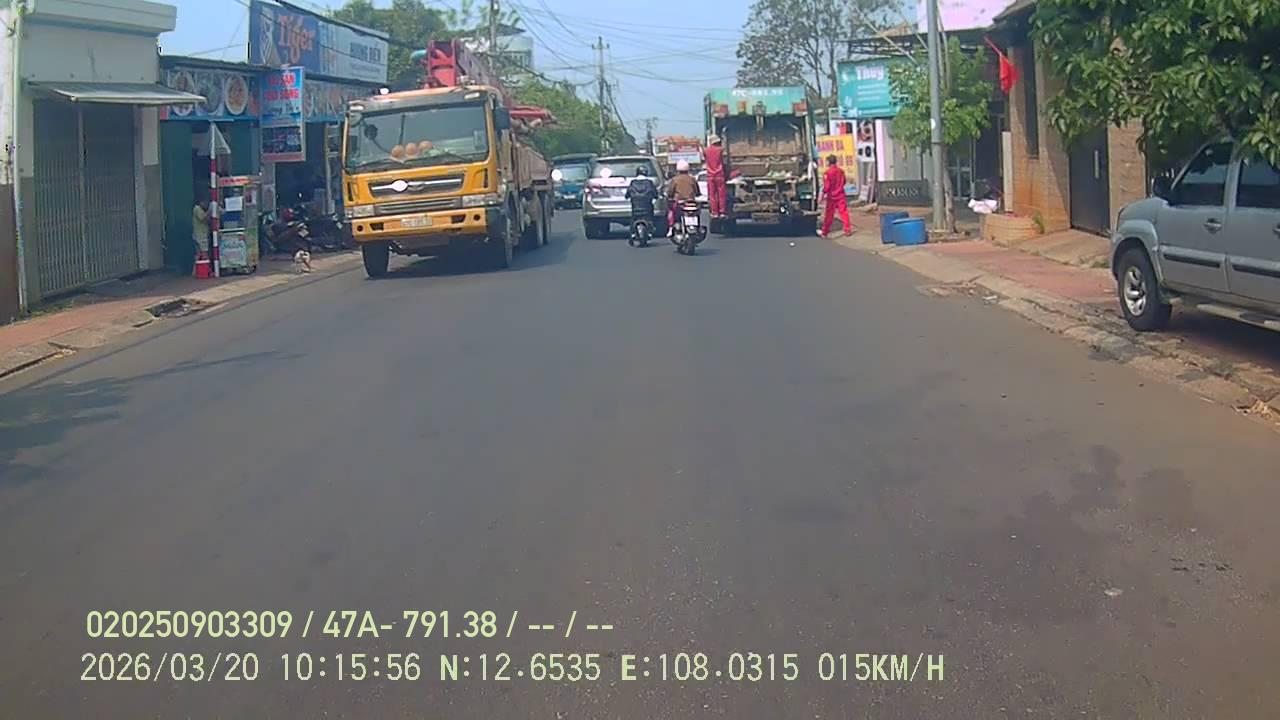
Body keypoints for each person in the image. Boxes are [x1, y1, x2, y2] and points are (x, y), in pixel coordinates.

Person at [819, 154, 852, 238]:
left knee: (829, 215)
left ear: (829, 162)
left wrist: (822, 195)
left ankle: (825, 232)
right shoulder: (841, 171)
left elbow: (827, 186)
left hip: (831, 197)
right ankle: (847, 230)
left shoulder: (827, 173)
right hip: (840, 194)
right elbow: (844, 182)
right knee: (844, 213)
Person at [666, 159, 700, 236]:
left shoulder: (675, 179)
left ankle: (671, 228)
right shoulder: (692, 179)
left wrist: (670, 196)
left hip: (679, 202)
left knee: (671, 211)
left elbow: (670, 192)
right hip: (691, 202)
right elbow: (697, 191)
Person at [625, 166, 660, 237]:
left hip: (635, 207)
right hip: (647, 207)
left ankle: (632, 233)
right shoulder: (649, 182)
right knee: (650, 218)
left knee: (633, 219)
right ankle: (650, 231)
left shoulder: (633, 182)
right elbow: (655, 194)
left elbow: (627, 194)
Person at [704, 134, 727, 218]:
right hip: (719, 175)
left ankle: (714, 212)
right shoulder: (720, 150)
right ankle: (722, 211)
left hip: (710, 175)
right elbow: (724, 160)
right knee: (721, 195)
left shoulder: (706, 150)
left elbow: (705, 159)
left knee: (712, 195)